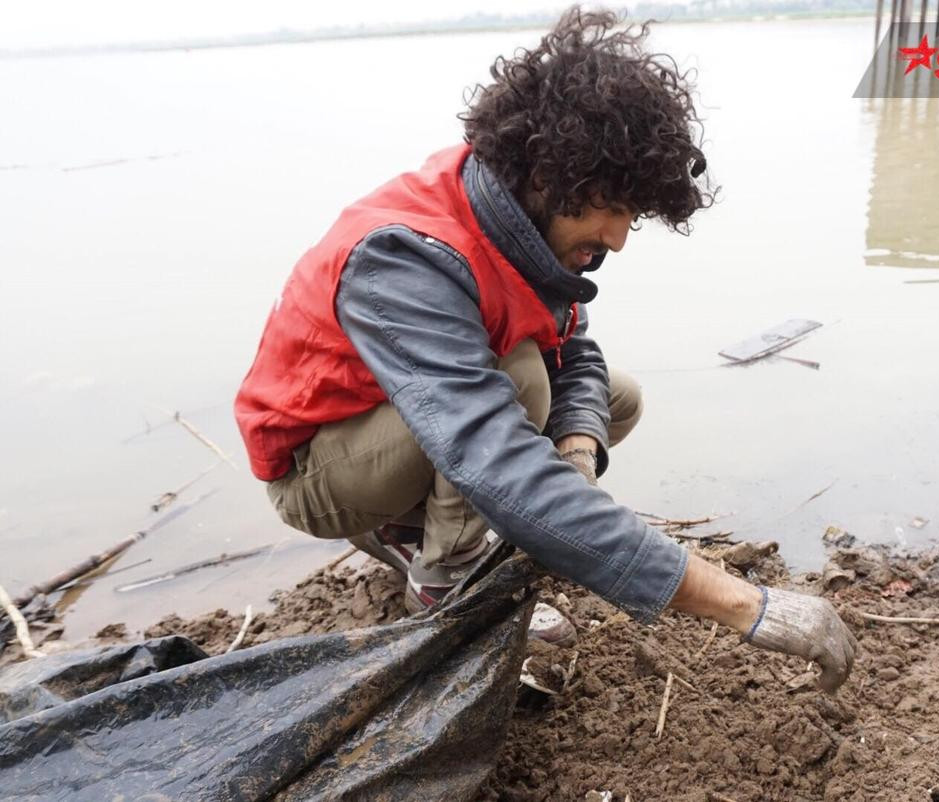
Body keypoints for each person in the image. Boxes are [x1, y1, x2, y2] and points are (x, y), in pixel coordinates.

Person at [234, 7, 857, 691]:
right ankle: (443, 587)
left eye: (632, 216)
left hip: (410, 424)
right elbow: (491, 455)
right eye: (611, 210)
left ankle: (429, 532)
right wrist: (746, 604)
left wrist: (576, 453)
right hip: (319, 471)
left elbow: (577, 354)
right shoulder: (406, 256)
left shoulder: (516, 223)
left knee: (615, 396)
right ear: (545, 177)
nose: (618, 238)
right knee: (521, 385)